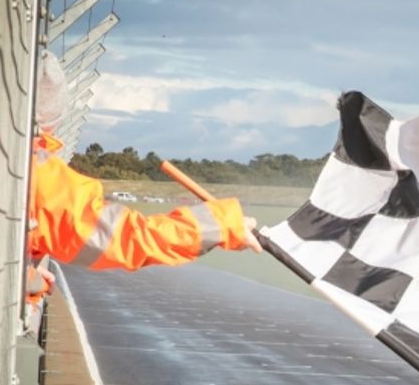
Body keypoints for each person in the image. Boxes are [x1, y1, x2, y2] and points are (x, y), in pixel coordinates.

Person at [25, 51, 261, 313]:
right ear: (51, 121)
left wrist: (26, 278)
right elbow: (126, 238)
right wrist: (221, 225)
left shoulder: (2, 158)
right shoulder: (36, 172)